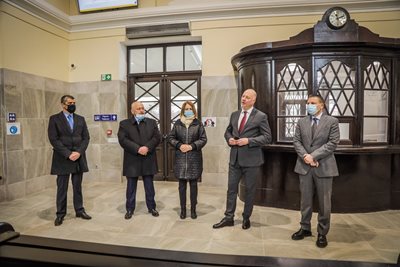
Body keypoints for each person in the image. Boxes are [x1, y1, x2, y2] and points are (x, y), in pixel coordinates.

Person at [213, 88, 272, 230]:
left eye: (247, 97)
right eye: (243, 96)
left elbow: (267, 137)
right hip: (235, 159)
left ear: (253, 100)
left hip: (252, 161)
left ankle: (246, 218)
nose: (243, 99)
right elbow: (227, 131)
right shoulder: (235, 114)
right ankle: (228, 218)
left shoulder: (261, 116)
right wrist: (230, 139)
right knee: (231, 189)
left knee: (250, 190)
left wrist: (249, 141)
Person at [291, 94, 340, 248]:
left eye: (312, 103)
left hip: (324, 166)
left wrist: (313, 156)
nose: (309, 105)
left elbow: (333, 143)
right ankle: (305, 228)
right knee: (305, 201)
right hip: (304, 166)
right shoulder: (301, 121)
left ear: (321, 105)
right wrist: (306, 156)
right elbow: (296, 141)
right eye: (308, 103)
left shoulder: (332, 121)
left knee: (324, 203)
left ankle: (322, 233)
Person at [48, 95, 91, 226]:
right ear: (63, 104)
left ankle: (79, 210)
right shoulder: (54, 119)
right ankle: (60, 214)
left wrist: (78, 152)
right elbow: (53, 139)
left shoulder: (80, 119)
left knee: (77, 186)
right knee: (62, 187)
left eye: (74, 102)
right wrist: (68, 154)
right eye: (70, 103)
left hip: (78, 157)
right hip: (62, 158)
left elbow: (86, 138)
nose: (73, 105)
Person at [118, 101, 161, 220]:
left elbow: (157, 137)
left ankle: (152, 207)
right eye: (138, 109)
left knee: (149, 186)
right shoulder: (124, 124)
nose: (142, 110)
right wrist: (137, 149)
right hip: (132, 159)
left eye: (142, 108)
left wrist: (147, 147)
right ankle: (130, 209)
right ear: (132, 111)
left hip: (148, 158)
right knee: (131, 186)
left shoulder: (152, 122)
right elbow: (123, 140)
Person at [168, 101, 207, 220]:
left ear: (193, 110)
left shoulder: (198, 124)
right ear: (183, 110)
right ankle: (183, 210)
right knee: (182, 186)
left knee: (193, 185)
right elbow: (171, 137)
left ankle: (193, 210)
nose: (188, 110)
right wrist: (179, 145)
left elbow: (203, 139)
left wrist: (192, 146)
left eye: (190, 108)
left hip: (194, 158)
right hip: (180, 159)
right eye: (186, 109)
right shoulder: (178, 123)